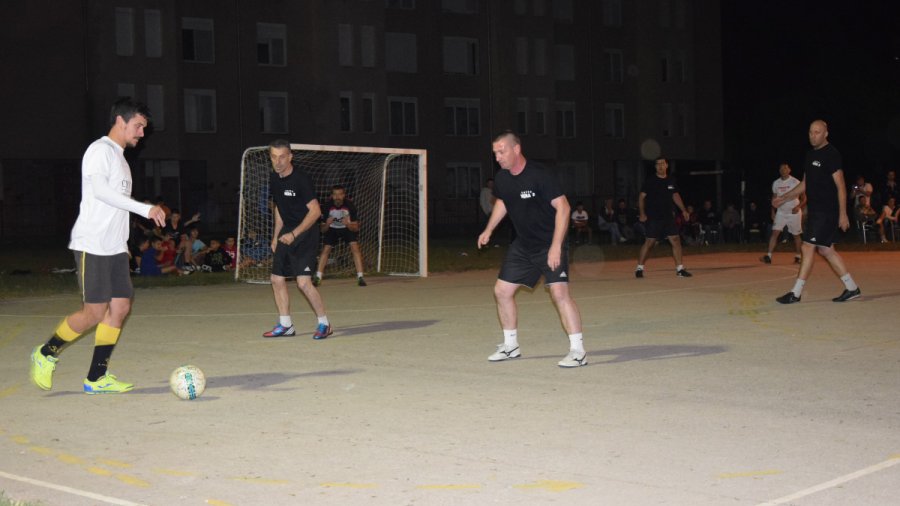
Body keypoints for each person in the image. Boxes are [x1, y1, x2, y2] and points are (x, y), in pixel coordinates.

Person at [29, 98, 166, 394]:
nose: (142, 133)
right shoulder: (99, 151)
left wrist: (123, 244)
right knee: (93, 312)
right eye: (138, 126)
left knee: (120, 307)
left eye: (144, 127)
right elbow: (102, 193)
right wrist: (146, 209)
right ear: (120, 120)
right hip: (92, 244)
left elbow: (116, 209)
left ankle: (96, 377)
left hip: (114, 247)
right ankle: (46, 352)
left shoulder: (121, 160)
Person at [477, 131, 587, 368]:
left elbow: (564, 208)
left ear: (516, 149)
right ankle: (511, 346)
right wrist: (489, 230)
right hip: (523, 245)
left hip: (549, 243)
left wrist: (556, 246)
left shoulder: (540, 175)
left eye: (501, 151)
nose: (497, 157)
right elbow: (503, 203)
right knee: (502, 291)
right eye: (495, 152)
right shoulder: (503, 178)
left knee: (559, 294)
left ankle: (578, 351)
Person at [774, 120, 860, 304]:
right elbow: (805, 184)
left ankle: (795, 293)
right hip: (816, 210)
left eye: (817, 132)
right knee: (826, 249)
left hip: (827, 211)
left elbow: (841, 185)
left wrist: (843, 213)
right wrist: (785, 197)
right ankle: (852, 288)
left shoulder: (832, 154)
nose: (813, 135)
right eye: (811, 132)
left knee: (807, 247)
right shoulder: (809, 154)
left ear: (826, 133)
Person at [262, 139, 332, 339]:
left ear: (290, 157)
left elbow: (316, 212)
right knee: (276, 279)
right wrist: (276, 236)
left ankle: (324, 324)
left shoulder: (301, 179)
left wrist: (295, 234)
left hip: (306, 233)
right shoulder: (274, 178)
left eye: (282, 156)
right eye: (274, 157)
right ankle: (285, 325)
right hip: (286, 233)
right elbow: (279, 209)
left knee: (303, 283)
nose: (278, 161)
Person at [635, 157, 692, 278]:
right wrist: (642, 213)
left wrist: (684, 210)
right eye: (658, 164)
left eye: (663, 163)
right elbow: (641, 197)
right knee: (650, 242)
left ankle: (680, 269)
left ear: (666, 166)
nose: (660, 166)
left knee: (676, 240)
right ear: (655, 167)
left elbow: (675, 195)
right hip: (654, 217)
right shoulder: (650, 181)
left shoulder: (671, 180)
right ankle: (639, 268)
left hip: (668, 217)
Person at [313, 185, 367, 287]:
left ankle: (360, 277)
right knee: (326, 249)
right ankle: (318, 277)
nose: (337, 197)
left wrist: (348, 224)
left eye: (340, 194)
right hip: (332, 229)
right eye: (335, 194)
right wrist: (327, 224)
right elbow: (322, 230)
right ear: (332, 196)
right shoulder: (326, 206)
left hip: (347, 229)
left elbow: (356, 228)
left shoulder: (350, 206)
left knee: (355, 248)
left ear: (344, 195)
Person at [762, 163, 806, 264]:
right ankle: (768, 256)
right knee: (775, 233)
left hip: (794, 213)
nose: (783, 170)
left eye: (785, 168)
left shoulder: (795, 182)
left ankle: (798, 256)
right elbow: (774, 198)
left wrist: (798, 207)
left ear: (789, 170)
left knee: (796, 235)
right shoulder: (776, 183)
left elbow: (804, 198)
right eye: (781, 168)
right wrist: (773, 211)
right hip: (781, 212)